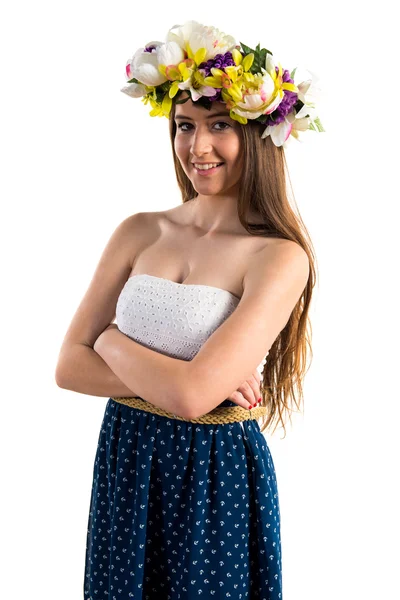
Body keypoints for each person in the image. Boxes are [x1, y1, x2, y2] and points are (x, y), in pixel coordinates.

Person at [55, 20, 322, 600]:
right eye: (184, 127)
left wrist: (109, 341)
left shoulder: (278, 257)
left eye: (219, 125)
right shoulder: (139, 230)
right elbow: (66, 369)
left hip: (212, 474)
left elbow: (193, 399)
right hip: (128, 456)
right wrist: (189, 378)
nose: (197, 147)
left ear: (257, 134)